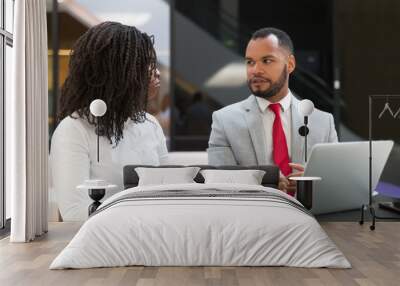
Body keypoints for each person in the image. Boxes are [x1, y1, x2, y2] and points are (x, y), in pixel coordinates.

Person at [50, 22, 168, 221]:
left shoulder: (151, 124)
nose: (157, 72)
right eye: (146, 63)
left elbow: (167, 190)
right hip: (104, 243)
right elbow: (75, 212)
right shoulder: (74, 129)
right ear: (118, 71)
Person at [207, 27, 338, 194]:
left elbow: (336, 182)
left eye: (267, 61)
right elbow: (219, 183)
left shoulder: (323, 122)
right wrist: (267, 183)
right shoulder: (224, 120)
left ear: (290, 64)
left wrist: (313, 182)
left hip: (310, 215)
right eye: (250, 62)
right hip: (254, 216)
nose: (255, 70)